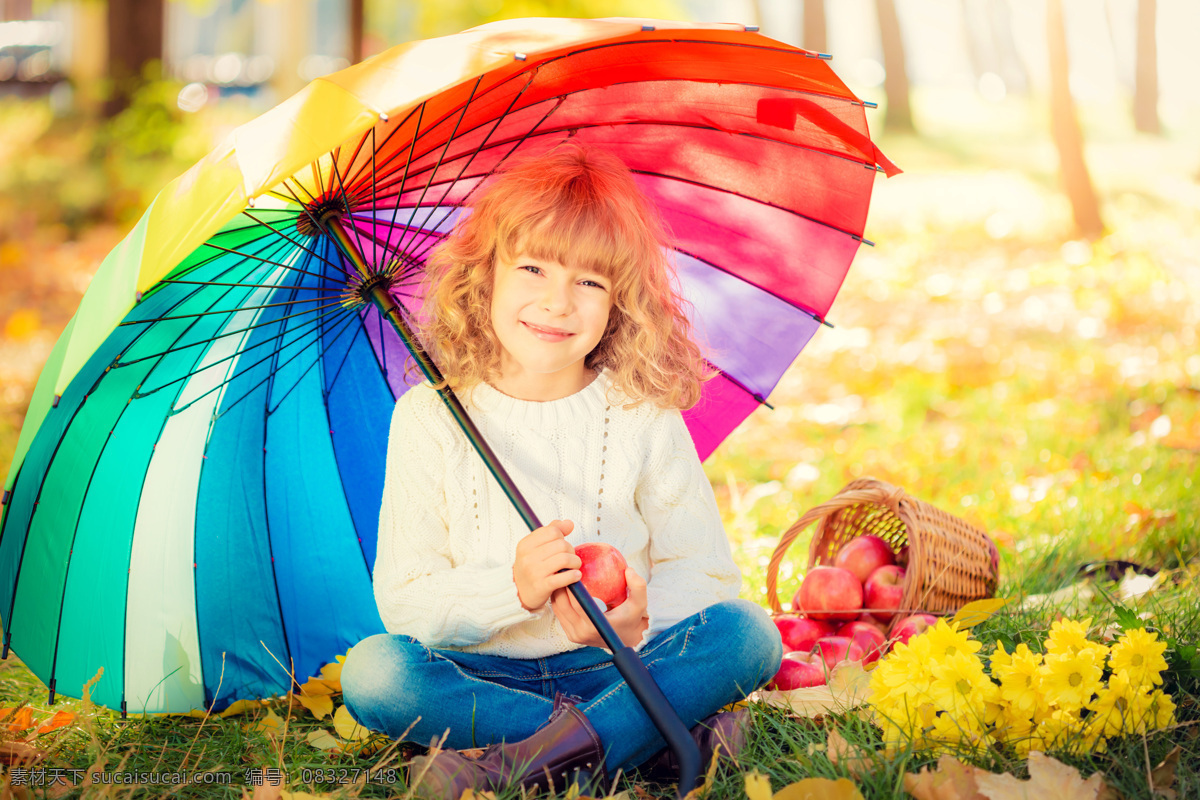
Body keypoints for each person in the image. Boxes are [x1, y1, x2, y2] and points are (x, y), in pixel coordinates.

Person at [340, 142, 782, 798]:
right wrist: (511, 592)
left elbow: (711, 572)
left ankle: (516, 763)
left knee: (749, 633)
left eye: (589, 281)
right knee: (375, 673)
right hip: (484, 677)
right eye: (533, 269)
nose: (558, 302)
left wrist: (635, 620)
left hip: (621, 667)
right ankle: (648, 739)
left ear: (619, 301)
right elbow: (406, 601)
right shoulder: (428, 417)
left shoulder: (639, 412)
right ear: (485, 276)